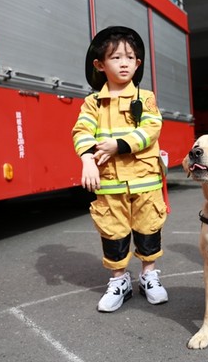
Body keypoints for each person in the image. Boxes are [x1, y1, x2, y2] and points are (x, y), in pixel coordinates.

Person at [72, 26, 168, 312]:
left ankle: (149, 275)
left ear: (138, 63)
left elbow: (152, 128)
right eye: (115, 58)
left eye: (130, 57)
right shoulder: (92, 102)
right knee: (112, 232)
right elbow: (81, 131)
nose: (124, 62)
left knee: (148, 229)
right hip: (110, 184)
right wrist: (87, 159)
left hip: (145, 182)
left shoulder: (146, 97)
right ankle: (119, 281)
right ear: (100, 65)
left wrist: (118, 145)